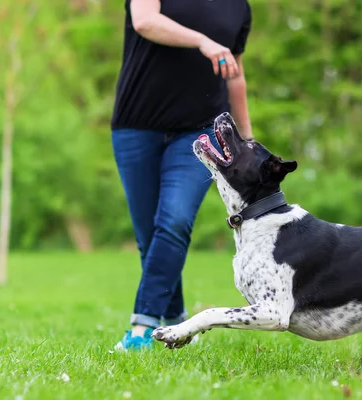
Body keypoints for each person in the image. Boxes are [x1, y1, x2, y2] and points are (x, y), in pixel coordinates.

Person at [110, 0, 254, 351]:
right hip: (136, 126)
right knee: (150, 236)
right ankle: (175, 322)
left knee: (174, 221)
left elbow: (234, 73)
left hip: (200, 129)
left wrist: (247, 140)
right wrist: (202, 41)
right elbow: (145, 22)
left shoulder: (238, 8)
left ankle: (142, 328)